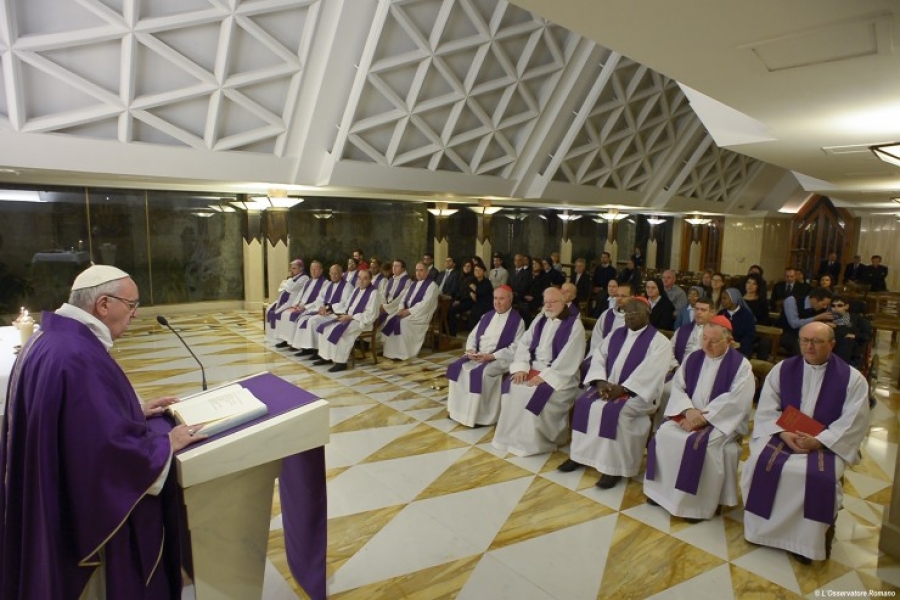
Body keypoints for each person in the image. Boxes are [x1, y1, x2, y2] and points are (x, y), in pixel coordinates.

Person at [0, 265, 204, 598]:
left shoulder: (52, 339)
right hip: (81, 523)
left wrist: (130, 411)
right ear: (104, 304)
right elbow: (101, 452)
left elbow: (73, 421)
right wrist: (164, 445)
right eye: (132, 304)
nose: (135, 314)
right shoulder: (76, 355)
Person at [741, 322, 869, 564]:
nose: (809, 346)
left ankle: (804, 543)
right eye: (804, 340)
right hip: (785, 436)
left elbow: (854, 421)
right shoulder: (782, 370)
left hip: (825, 444)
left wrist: (819, 441)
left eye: (817, 341)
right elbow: (767, 408)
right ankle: (761, 532)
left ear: (832, 344)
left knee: (818, 478)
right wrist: (782, 433)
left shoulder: (852, 379)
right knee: (758, 462)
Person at [644, 317, 753, 520]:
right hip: (688, 414)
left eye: (713, 341)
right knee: (664, 434)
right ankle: (661, 493)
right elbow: (678, 386)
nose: (707, 344)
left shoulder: (741, 366)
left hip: (719, 422)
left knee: (703, 446)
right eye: (704, 338)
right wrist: (687, 411)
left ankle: (694, 506)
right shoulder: (693, 358)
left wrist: (702, 419)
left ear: (728, 341)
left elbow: (737, 401)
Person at [560, 298, 672, 488]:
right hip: (608, 386)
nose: (630, 317)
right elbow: (599, 357)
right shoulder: (615, 335)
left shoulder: (660, 342)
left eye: (635, 313)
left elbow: (652, 371)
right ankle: (580, 455)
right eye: (627, 313)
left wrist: (623, 388)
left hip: (639, 394)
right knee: (583, 404)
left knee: (615, 413)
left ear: (648, 313)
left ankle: (613, 468)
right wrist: (601, 381)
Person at [492, 287, 585, 456]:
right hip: (532, 367)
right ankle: (510, 437)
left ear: (563, 303)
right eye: (546, 302)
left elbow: (570, 358)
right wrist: (521, 367)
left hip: (560, 376)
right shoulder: (540, 319)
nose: (548, 305)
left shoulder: (574, 324)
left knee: (532, 393)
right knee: (513, 386)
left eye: (553, 302)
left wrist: (545, 377)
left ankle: (535, 442)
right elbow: (524, 344)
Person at [446, 286, 525, 427]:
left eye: (502, 298)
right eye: (495, 298)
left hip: (500, 359)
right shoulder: (487, 316)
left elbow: (515, 348)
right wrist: (471, 350)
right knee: (457, 368)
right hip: (478, 355)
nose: (497, 302)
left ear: (510, 300)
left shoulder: (517, 321)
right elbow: (472, 335)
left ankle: (479, 417)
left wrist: (491, 356)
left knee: (482, 373)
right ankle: (457, 411)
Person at [312, 269, 383, 372]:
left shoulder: (374, 293)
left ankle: (341, 362)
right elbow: (346, 305)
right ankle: (325, 357)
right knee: (326, 328)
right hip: (349, 317)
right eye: (359, 278)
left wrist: (351, 317)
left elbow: (370, 314)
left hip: (362, 322)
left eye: (365, 278)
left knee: (341, 332)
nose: (361, 281)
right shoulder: (356, 290)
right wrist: (331, 308)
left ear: (370, 279)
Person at [381, 262, 439, 360]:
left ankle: (403, 353)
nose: (418, 273)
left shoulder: (432, 286)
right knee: (390, 318)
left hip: (420, 315)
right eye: (417, 270)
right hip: (407, 311)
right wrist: (401, 308)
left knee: (403, 323)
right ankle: (391, 352)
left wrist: (408, 312)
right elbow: (403, 298)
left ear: (427, 272)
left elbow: (425, 304)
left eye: (421, 270)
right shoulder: (413, 283)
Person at [292, 263, 352, 354]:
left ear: (341, 273)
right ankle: (306, 347)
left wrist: (328, 308)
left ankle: (316, 350)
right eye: (332, 273)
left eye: (336, 273)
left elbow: (345, 303)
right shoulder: (328, 285)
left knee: (313, 321)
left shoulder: (347, 286)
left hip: (336, 314)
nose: (333, 275)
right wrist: (321, 308)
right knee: (304, 319)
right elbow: (320, 299)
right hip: (326, 312)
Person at [274, 260, 327, 347]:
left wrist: (304, 307)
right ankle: (286, 340)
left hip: (310, 307)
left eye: (315, 269)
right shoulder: (308, 281)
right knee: (285, 314)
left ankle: (295, 343)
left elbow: (319, 300)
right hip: (300, 306)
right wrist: (296, 304)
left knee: (296, 318)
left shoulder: (325, 283)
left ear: (321, 270)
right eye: (311, 269)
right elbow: (300, 294)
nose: (313, 271)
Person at [776, 286, 834, 356]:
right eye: (823, 304)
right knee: (803, 346)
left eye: (826, 305)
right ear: (815, 300)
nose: (825, 307)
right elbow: (794, 324)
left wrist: (827, 324)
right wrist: (816, 318)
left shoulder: (822, 308)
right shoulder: (792, 300)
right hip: (787, 333)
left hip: (809, 335)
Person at [265, 258, 308, 343]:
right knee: (269, 309)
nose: (292, 270)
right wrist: (287, 282)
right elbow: (281, 287)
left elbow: (291, 288)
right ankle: (271, 336)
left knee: (277, 313)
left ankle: (279, 339)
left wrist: (287, 282)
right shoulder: (293, 278)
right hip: (285, 300)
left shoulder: (304, 278)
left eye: (294, 268)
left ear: (301, 268)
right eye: (291, 268)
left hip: (293, 301)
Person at [831, 295, 872, 368]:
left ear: (846, 306)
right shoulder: (828, 319)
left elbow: (868, 336)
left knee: (847, 340)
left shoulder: (857, 319)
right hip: (831, 348)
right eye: (833, 306)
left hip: (850, 350)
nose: (836, 308)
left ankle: (840, 367)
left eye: (839, 305)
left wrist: (855, 336)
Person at [718, 288, 756, 358]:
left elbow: (750, 335)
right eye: (721, 298)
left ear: (734, 299)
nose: (722, 301)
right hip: (722, 347)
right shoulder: (721, 313)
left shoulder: (746, 315)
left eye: (725, 299)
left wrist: (739, 344)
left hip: (741, 349)